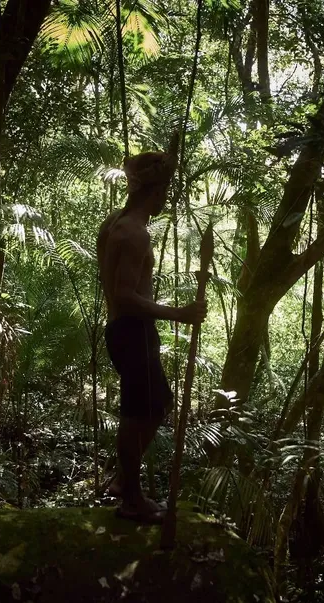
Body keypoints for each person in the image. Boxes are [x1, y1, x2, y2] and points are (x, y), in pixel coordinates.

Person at [97, 148, 206, 524]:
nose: (165, 199)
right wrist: (179, 314)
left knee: (157, 404)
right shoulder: (134, 234)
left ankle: (123, 480)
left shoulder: (114, 223)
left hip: (125, 331)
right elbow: (125, 295)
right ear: (154, 191)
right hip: (132, 331)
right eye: (164, 192)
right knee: (138, 414)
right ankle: (131, 498)